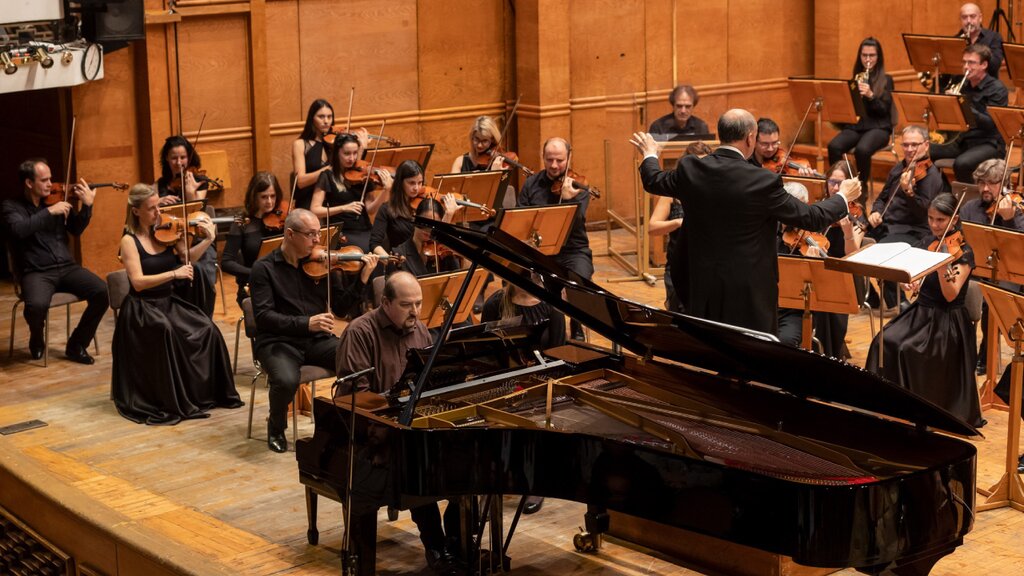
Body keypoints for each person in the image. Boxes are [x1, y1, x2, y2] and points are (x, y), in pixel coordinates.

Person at [629, 109, 859, 336]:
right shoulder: (763, 181)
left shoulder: (691, 168)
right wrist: (842, 197)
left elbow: (653, 180)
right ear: (750, 138)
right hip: (747, 293)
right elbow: (811, 217)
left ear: (721, 135)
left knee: (708, 343)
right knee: (749, 350)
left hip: (701, 283)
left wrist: (650, 153)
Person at [334, 271, 458, 575]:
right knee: (416, 466)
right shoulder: (360, 332)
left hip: (412, 426)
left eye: (418, 303)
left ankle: (457, 544)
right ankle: (436, 547)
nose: (415, 311)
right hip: (371, 434)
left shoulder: (421, 330)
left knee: (466, 463)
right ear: (385, 302)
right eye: (406, 305)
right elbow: (355, 397)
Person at [248, 208, 377, 453]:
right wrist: (306, 323)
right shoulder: (263, 269)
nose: (318, 240)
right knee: (286, 380)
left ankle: (349, 423)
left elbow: (340, 308)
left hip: (316, 340)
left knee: (358, 361)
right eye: (311, 235)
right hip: (278, 342)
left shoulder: (322, 263)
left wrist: (362, 279)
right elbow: (264, 318)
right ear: (290, 234)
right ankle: (276, 427)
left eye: (319, 233)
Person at [111, 184, 242, 424]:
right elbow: (138, 283)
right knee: (166, 331)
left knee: (208, 328)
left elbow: (188, 257)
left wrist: (209, 239)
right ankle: (174, 399)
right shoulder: (129, 241)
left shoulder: (166, 233)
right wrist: (174, 274)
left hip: (168, 303)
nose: (158, 213)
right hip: (142, 308)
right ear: (136, 211)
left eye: (158, 206)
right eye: (151, 209)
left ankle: (204, 394)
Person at [866, 193, 984, 429]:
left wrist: (941, 266)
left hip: (946, 322)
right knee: (882, 341)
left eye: (940, 220)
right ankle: (887, 406)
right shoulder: (927, 242)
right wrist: (910, 283)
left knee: (907, 349)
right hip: (921, 312)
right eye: (931, 218)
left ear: (954, 219)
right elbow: (913, 278)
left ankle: (916, 412)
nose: (934, 225)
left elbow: (950, 294)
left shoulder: (964, 252)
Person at [2, 158, 108, 363]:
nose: (51, 184)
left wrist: (87, 206)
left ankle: (77, 345)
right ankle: (36, 337)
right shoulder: (11, 206)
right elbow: (19, 230)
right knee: (35, 306)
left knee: (102, 292)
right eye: (44, 180)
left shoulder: (56, 200)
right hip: (36, 272)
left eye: (51, 179)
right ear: (29, 183)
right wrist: (49, 212)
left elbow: (76, 229)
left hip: (67, 268)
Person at [517, 137, 594, 340]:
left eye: (560, 160)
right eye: (549, 159)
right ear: (542, 156)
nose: (554, 165)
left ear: (569, 157)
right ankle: (539, 325)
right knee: (520, 276)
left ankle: (577, 324)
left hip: (573, 251)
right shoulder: (531, 185)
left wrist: (568, 201)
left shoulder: (579, 186)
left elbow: (577, 223)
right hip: (541, 251)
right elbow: (521, 220)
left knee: (580, 280)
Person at [867, 125, 947, 308]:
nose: (909, 149)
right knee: (849, 240)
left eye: (914, 145)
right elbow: (882, 198)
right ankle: (870, 298)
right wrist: (875, 211)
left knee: (882, 251)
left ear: (926, 145)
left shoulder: (931, 176)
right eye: (906, 145)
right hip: (887, 225)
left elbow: (924, 213)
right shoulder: (899, 168)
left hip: (913, 230)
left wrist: (909, 193)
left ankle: (900, 303)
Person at [960, 158, 1024, 375]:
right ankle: (961, 352)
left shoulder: (1017, 208)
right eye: (981, 183)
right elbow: (962, 242)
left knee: (993, 300)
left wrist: (1009, 220)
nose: (985, 188)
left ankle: (986, 354)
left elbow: (1020, 248)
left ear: (1004, 184)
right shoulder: (970, 208)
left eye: (992, 183)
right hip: (976, 268)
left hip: (1009, 272)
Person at [155, 135, 219, 316]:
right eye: (174, 158)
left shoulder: (199, 181)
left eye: (183, 157)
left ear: (189, 157)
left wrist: (190, 193)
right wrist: (158, 201)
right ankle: (182, 316)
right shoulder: (160, 185)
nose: (179, 162)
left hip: (198, 238)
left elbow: (196, 212)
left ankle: (203, 317)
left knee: (200, 271)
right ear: (166, 159)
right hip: (170, 241)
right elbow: (151, 211)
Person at [929, 44, 1008, 184]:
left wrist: (963, 105)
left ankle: (973, 195)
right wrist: (947, 103)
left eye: (971, 63)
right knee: (926, 151)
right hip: (963, 140)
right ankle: (945, 191)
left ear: (984, 65)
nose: (966, 67)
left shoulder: (997, 89)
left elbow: (991, 124)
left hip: (989, 143)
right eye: (964, 62)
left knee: (962, 164)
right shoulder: (963, 85)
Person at [648, 141, 711, 312]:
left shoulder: (713, 190)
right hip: (679, 264)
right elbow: (652, 227)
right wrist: (677, 222)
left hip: (706, 265)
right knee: (678, 312)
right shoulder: (672, 194)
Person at [826, 37, 896, 189]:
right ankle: (839, 185)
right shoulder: (856, 78)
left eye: (872, 55)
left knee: (862, 150)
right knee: (834, 146)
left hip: (879, 127)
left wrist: (871, 96)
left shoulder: (886, 80)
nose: (868, 59)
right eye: (864, 55)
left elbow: (884, 110)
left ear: (878, 57)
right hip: (857, 126)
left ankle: (861, 191)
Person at [815, 161, 865, 359]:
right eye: (832, 182)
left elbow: (852, 256)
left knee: (828, 298)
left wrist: (847, 233)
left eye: (840, 183)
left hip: (844, 273)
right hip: (819, 269)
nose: (835, 188)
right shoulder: (820, 208)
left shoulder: (856, 212)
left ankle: (831, 351)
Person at [310, 132, 391, 252]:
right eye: (347, 153)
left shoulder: (363, 174)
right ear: (337, 153)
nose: (352, 158)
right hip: (342, 232)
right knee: (366, 249)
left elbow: (370, 209)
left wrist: (386, 191)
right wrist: (344, 208)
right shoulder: (327, 176)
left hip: (365, 228)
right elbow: (315, 210)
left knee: (385, 243)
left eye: (355, 153)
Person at [220, 171, 286, 309]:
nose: (270, 202)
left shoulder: (283, 219)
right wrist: (256, 273)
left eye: (273, 196)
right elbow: (226, 262)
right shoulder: (242, 223)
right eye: (264, 197)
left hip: (282, 281)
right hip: (254, 284)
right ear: (254, 196)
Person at [369, 160, 463, 256]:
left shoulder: (426, 206)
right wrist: (390, 260)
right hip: (401, 257)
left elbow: (436, 239)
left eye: (420, 183)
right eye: (411, 183)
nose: (416, 188)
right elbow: (375, 244)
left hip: (428, 257)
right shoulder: (386, 209)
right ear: (400, 182)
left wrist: (448, 215)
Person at [395, 198, 464, 277]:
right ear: (415, 219)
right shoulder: (399, 254)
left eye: (434, 226)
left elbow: (459, 278)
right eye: (424, 223)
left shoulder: (444, 252)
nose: (428, 230)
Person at [292, 99, 335, 210]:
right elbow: (300, 181)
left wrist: (361, 148)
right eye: (321, 117)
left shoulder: (335, 143)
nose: (326, 121)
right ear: (312, 118)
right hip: (308, 201)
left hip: (333, 201)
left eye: (329, 117)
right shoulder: (300, 144)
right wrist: (328, 170)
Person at [749, 118, 817, 176]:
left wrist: (804, 176)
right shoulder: (746, 161)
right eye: (765, 144)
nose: (770, 149)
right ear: (755, 142)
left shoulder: (783, 160)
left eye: (774, 143)